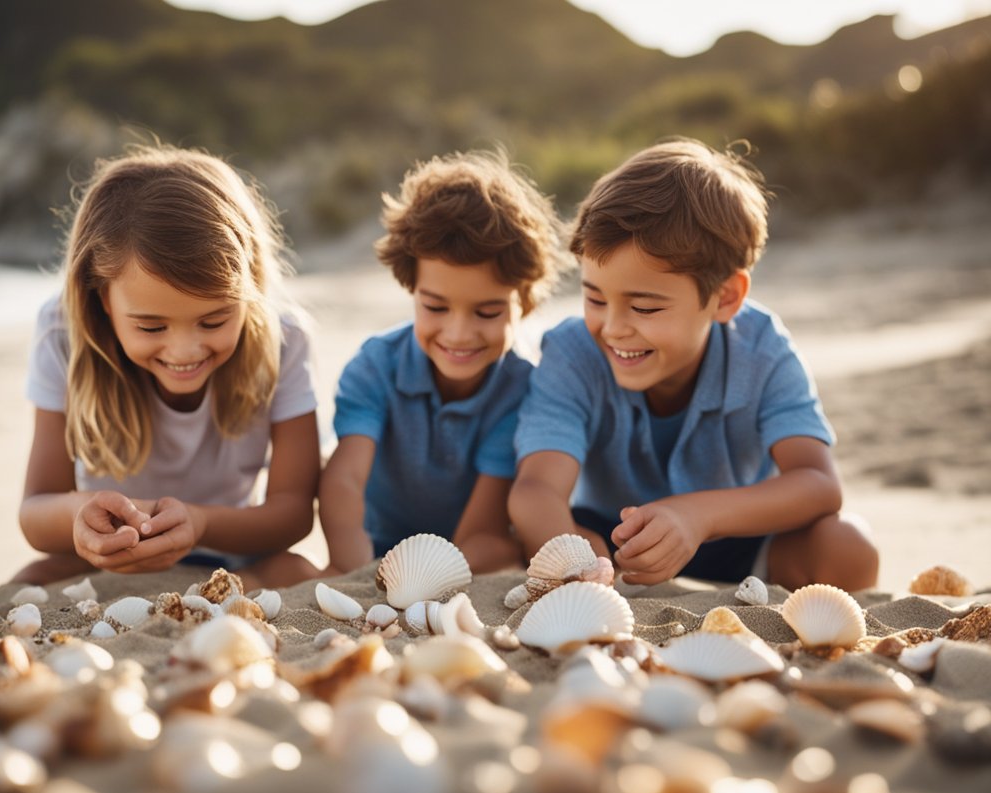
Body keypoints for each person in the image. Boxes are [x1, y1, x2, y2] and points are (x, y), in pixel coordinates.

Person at [509, 138, 879, 591]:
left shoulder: (761, 349)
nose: (612, 327)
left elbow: (819, 483)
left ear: (725, 298)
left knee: (849, 548)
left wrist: (697, 516)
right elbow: (536, 491)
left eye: (643, 308)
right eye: (594, 297)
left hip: (739, 532)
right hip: (612, 540)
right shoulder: (572, 352)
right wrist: (575, 551)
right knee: (522, 542)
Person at [14, 146, 321, 590]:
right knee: (30, 583)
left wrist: (199, 523)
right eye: (152, 326)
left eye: (213, 321)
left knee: (299, 572)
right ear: (102, 299)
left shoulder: (285, 340)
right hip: (114, 559)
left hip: (231, 553)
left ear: (250, 288)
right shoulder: (62, 333)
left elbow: (292, 512)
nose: (183, 350)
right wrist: (82, 518)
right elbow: (36, 512)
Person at [320, 149, 567, 575]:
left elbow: (480, 530)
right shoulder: (375, 366)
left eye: (487, 313)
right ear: (411, 287)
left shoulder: (521, 388)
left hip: (472, 548)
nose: (458, 334)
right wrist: (351, 570)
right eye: (435, 307)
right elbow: (344, 480)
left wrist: (424, 579)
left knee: (502, 551)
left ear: (523, 302)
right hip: (380, 545)